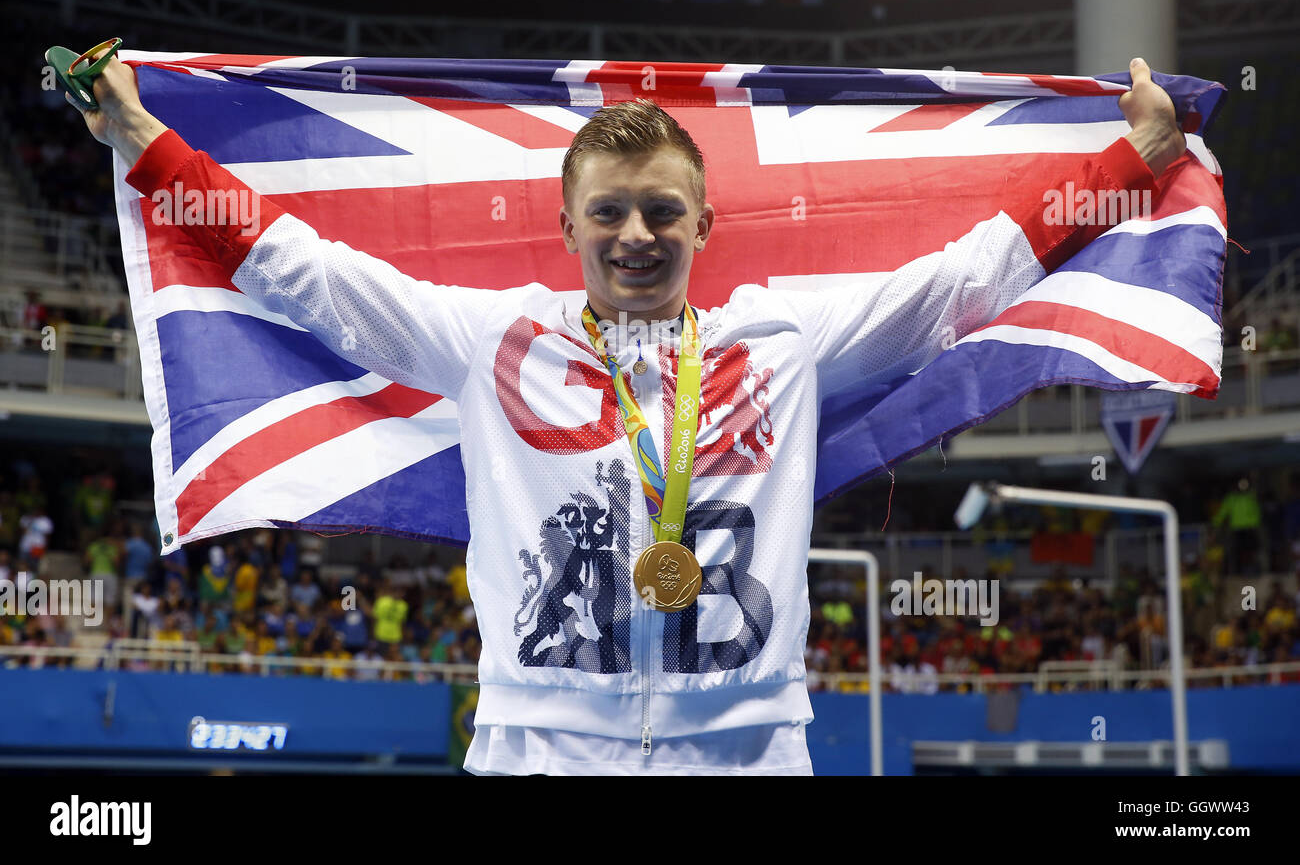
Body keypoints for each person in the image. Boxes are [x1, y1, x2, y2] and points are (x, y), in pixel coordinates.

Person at [68, 48, 1185, 775]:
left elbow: (966, 279)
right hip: (536, 747)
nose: (635, 235)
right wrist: (140, 139)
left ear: (705, 226)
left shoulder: (781, 343)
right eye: (608, 213)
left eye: (661, 211)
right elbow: (296, 269)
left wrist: (1133, 157)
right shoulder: (490, 339)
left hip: (750, 751)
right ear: (566, 228)